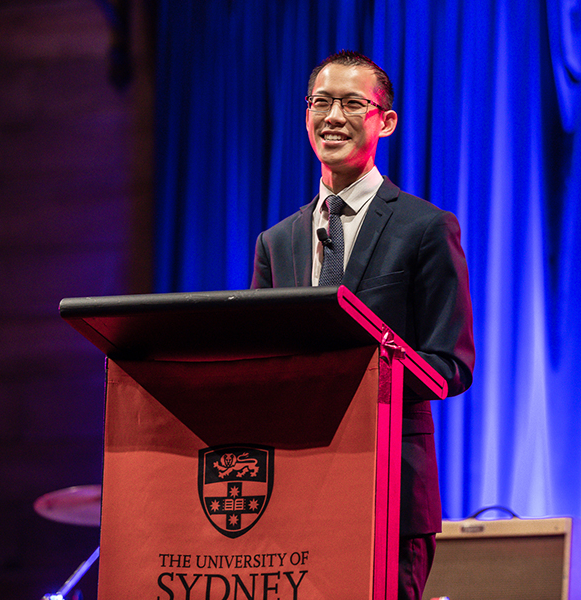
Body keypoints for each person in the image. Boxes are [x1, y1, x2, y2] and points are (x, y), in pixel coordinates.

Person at [251, 50, 475, 600]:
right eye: (321, 103)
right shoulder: (276, 242)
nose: (334, 117)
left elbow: (452, 365)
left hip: (390, 492)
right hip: (295, 495)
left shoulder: (426, 228)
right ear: (305, 117)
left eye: (353, 103)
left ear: (385, 121)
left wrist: (358, 371)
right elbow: (259, 360)